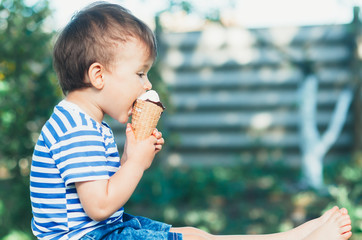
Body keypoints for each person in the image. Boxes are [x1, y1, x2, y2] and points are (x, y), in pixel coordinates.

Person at [30, 2, 353, 240]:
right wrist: (137, 164)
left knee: (192, 234)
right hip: (91, 237)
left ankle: (289, 237)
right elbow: (98, 207)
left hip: (105, 230)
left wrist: (130, 154)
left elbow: (101, 191)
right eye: (140, 73)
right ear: (98, 75)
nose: (147, 86)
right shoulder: (76, 131)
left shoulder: (80, 122)